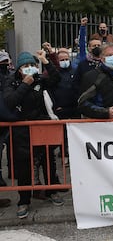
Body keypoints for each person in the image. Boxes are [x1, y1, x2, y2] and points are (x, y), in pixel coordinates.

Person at [3, 50, 64, 219]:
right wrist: (25, 85)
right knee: (24, 165)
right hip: (22, 130)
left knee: (48, 160)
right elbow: (10, 102)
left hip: (42, 126)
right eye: (25, 66)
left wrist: (46, 62)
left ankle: (52, 192)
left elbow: (56, 78)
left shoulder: (40, 80)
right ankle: (24, 200)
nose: (29, 68)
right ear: (19, 69)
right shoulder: (12, 82)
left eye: (32, 65)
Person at [0, 50, 12, 186]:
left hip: (10, 116)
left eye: (5, 61)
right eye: (2, 62)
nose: (4, 64)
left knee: (11, 145)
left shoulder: (10, 76)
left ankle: (12, 170)